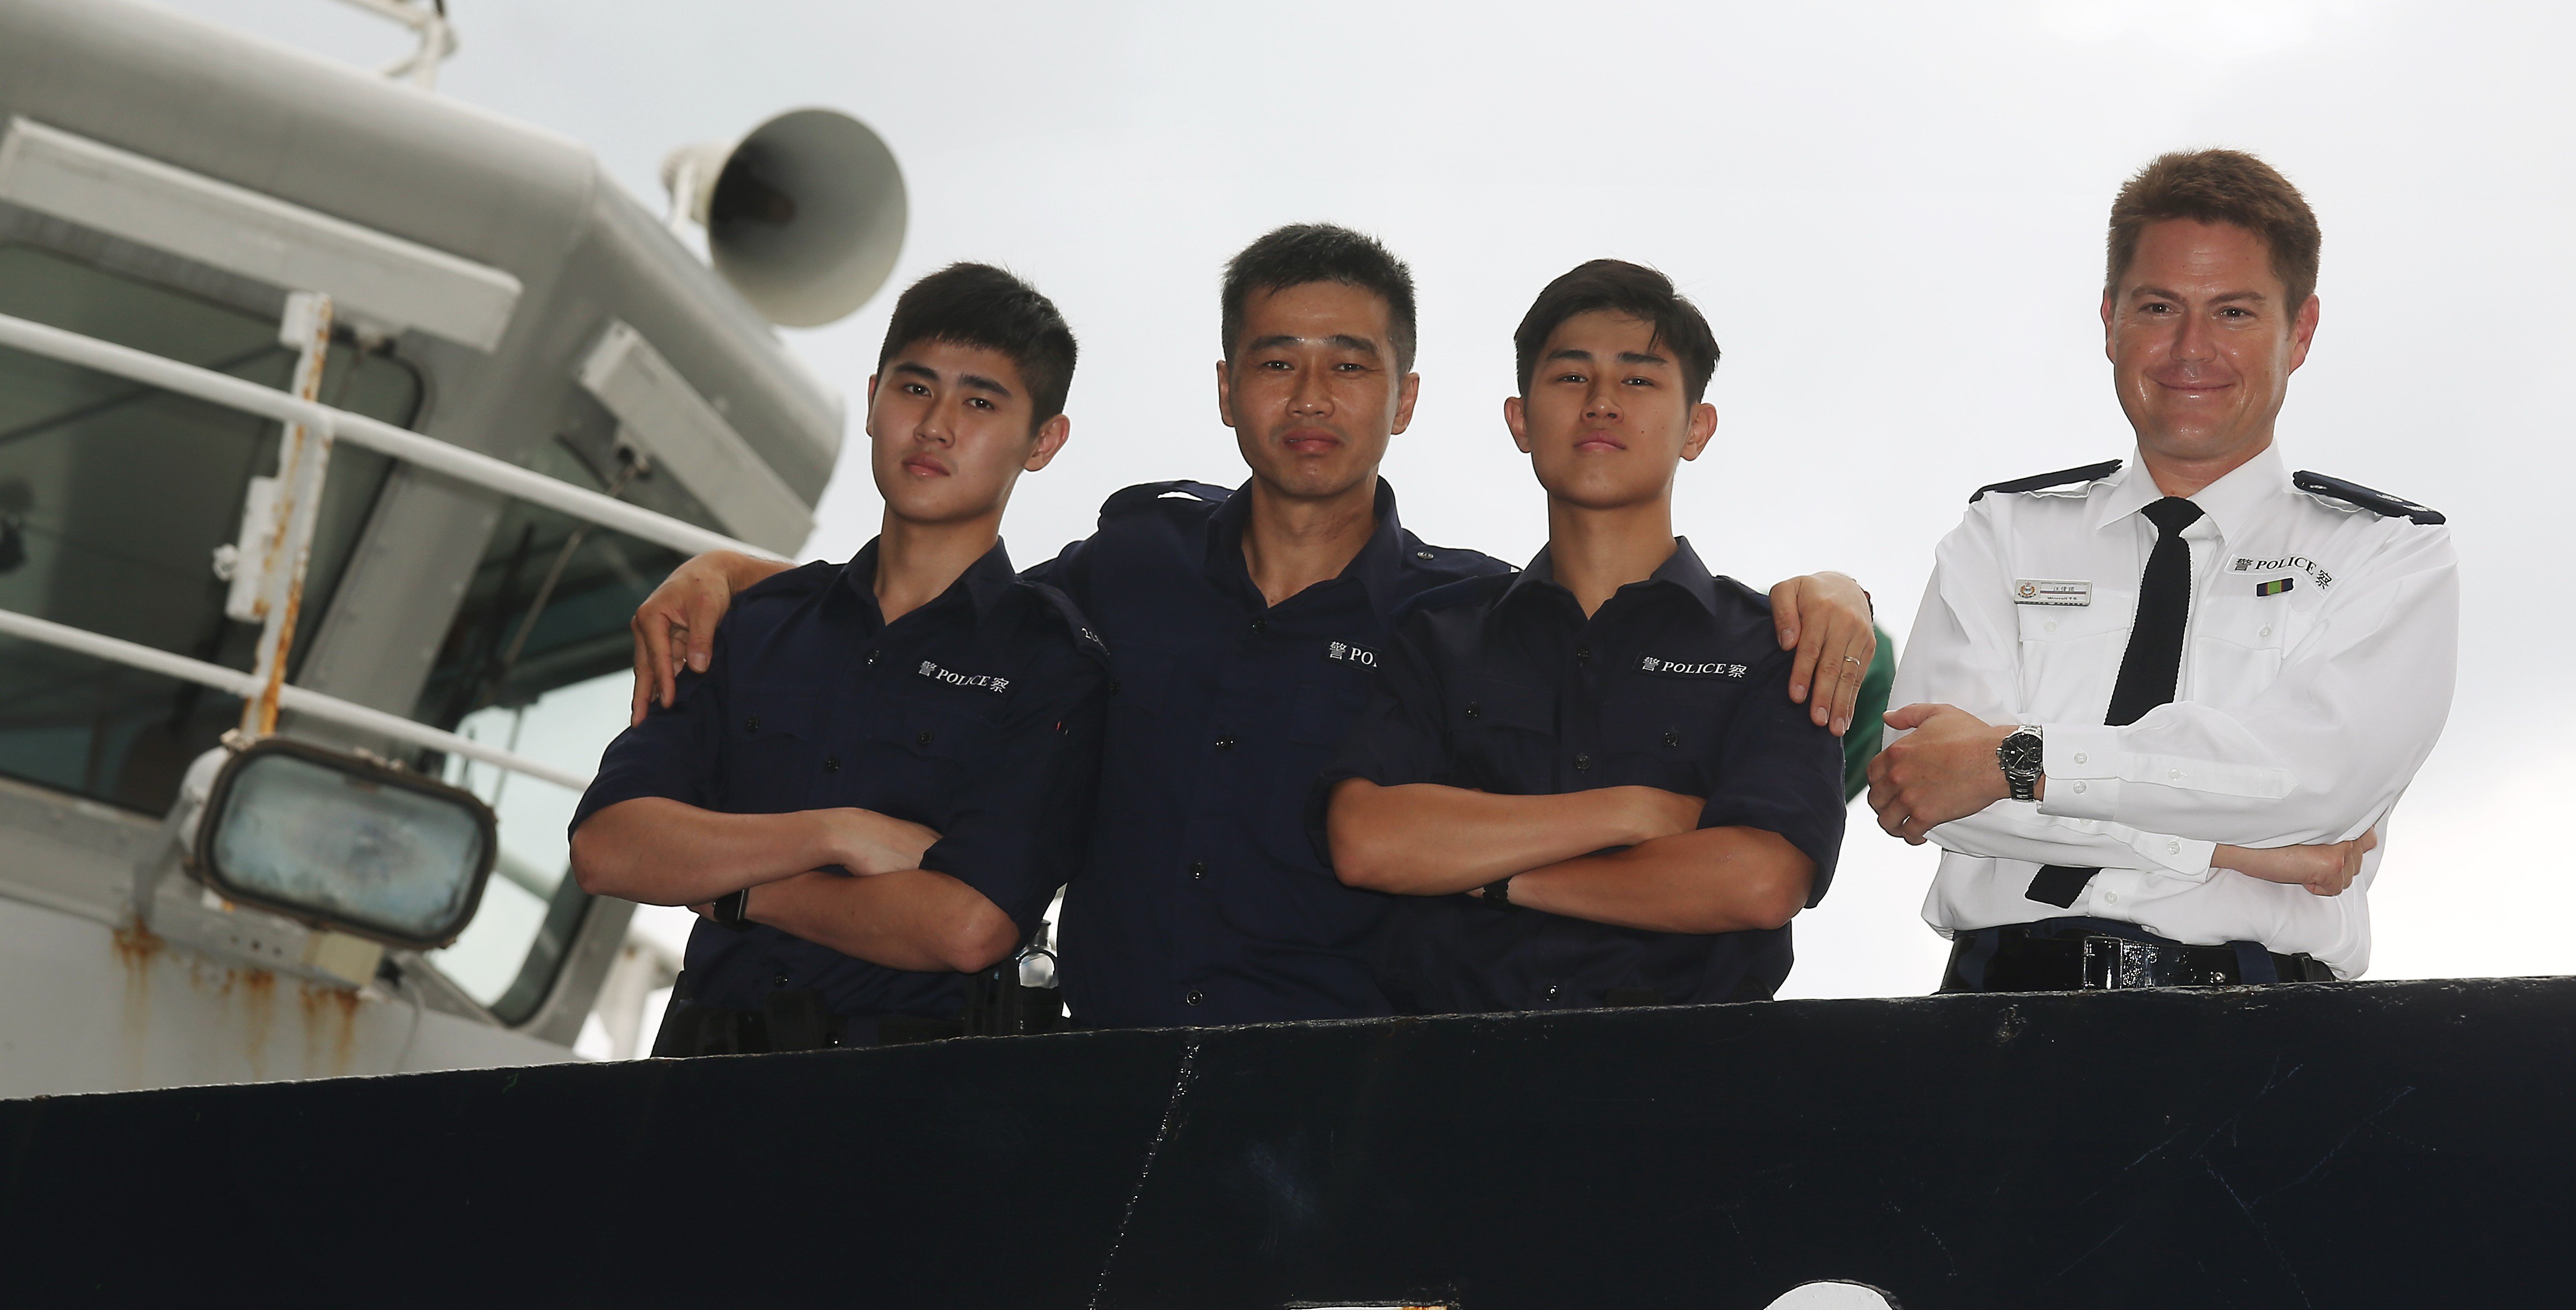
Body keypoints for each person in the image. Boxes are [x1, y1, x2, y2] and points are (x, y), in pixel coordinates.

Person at [626, 226, 1882, 1028]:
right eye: (1278, 362)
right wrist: (731, 574)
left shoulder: (1455, 616)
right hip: (1083, 1073)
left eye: (1351, 365)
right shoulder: (1129, 565)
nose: (1314, 396)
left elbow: (1620, 648)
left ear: (1410, 402)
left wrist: (1839, 596)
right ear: (1226, 390)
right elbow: (932, 593)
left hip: (1327, 1095)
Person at [1864, 149, 2455, 991]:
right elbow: (1928, 786)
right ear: (2109, 319)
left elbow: (2314, 785)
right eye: (2158, 306)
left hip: (2267, 1028)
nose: (2190, 349)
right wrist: (2229, 846)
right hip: (1996, 1022)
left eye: (2236, 312)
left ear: (2303, 330)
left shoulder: (2387, 553)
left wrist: (2016, 762)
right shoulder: (2002, 535)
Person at [566, 263, 1109, 1052]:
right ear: (872, 399)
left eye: (982, 402)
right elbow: (609, 847)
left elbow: (967, 926)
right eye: (914, 389)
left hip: (902, 1104)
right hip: (695, 1083)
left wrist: (742, 893)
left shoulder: (1050, 665)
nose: (937, 426)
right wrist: (838, 834)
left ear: (1044, 442)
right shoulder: (750, 624)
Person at [1320, 260, 1847, 1013]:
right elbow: (1369, 841)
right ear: (1521, 420)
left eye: (1638, 381)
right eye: (1570, 379)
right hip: (1446, 1088)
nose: (1602, 404)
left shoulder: (1773, 646)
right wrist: (1634, 813)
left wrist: (1494, 876)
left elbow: (1759, 882)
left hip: (1693, 1089)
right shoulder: (1441, 633)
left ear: (1696, 427)